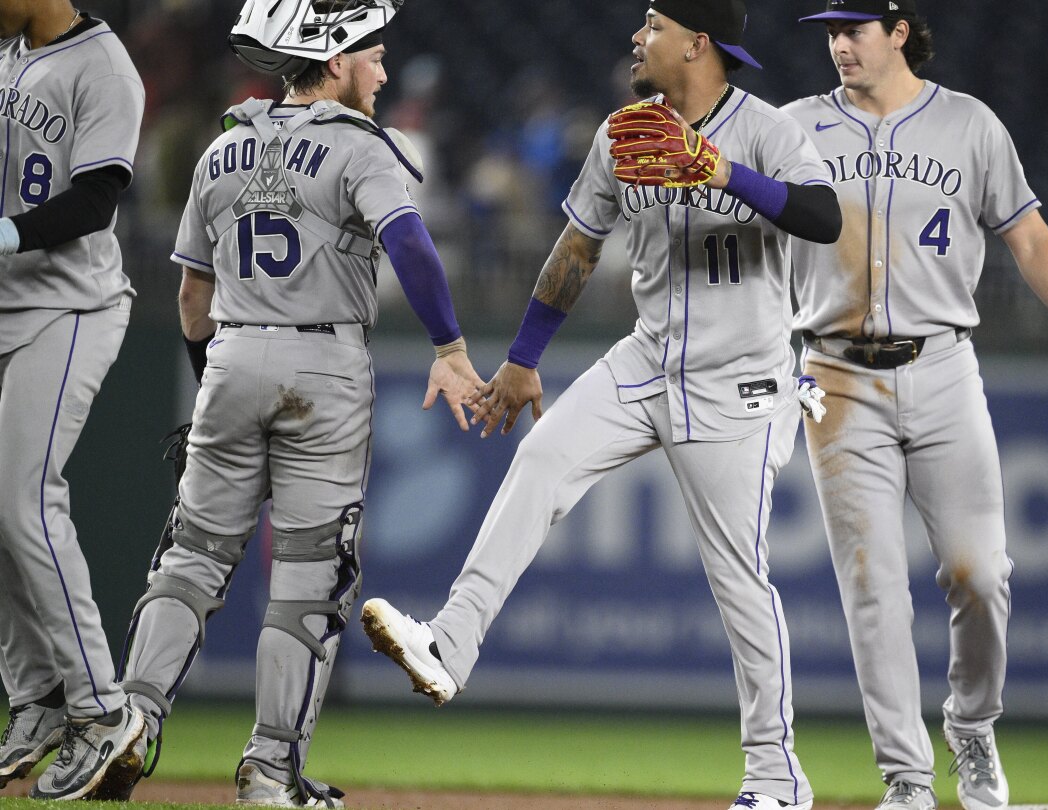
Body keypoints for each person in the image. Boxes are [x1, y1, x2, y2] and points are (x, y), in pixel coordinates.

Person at [360, 1, 840, 808]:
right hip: (649, 356)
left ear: (697, 42)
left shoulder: (764, 130)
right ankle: (449, 642)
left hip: (741, 380)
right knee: (543, 458)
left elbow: (823, 217)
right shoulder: (626, 131)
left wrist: (717, 168)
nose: (636, 36)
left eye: (653, 25)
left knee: (739, 579)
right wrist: (521, 359)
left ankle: (775, 778)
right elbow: (577, 246)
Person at [113, 1, 482, 805]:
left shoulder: (224, 145)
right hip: (323, 363)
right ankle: (270, 768)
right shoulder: (359, 147)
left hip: (233, 351)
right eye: (373, 56)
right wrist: (450, 349)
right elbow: (410, 241)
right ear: (336, 56)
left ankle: (134, 718)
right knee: (309, 581)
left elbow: (189, 295)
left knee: (191, 558)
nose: (381, 72)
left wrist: (210, 377)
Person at [782, 2, 1048, 809]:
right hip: (830, 376)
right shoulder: (793, 126)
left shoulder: (969, 126)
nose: (839, 45)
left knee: (980, 575)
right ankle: (905, 781)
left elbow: (1031, 241)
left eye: (855, 29)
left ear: (900, 31)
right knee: (873, 590)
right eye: (831, 31)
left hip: (942, 368)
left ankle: (971, 729)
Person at [0, 0, 147, 800]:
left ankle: (102, 709)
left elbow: (96, 200)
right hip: (5, 304)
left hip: (70, 308)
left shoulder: (104, 66)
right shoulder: (11, 54)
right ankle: (38, 700)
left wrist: (6, 235)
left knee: (26, 499)